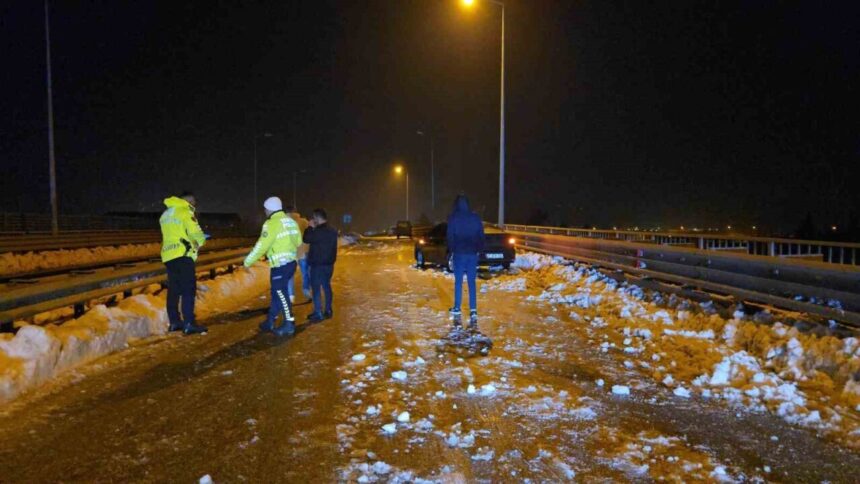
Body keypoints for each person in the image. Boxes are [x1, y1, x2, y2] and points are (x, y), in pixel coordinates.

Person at [243, 196, 303, 336]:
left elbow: (261, 246)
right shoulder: (290, 222)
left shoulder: (271, 223)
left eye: (265, 209)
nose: (264, 211)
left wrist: (247, 262)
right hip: (290, 263)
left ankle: (289, 323)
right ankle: (269, 321)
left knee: (281, 294)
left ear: (269, 209)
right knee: (277, 294)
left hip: (280, 265)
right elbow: (298, 241)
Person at [159, 191, 208, 335]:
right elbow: (195, 232)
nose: (193, 204)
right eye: (191, 201)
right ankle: (189, 323)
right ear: (184, 201)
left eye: (194, 202)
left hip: (169, 255)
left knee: (174, 290)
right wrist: (202, 240)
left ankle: (174, 322)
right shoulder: (185, 212)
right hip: (183, 254)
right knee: (188, 289)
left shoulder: (166, 214)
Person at [446, 194, 485, 328]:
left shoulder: (453, 218)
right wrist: (478, 249)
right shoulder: (475, 218)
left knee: (458, 282)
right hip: (472, 255)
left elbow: (450, 237)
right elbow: (481, 236)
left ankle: (457, 307)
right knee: (471, 282)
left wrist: (451, 250)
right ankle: (473, 310)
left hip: (459, 254)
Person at [303, 208, 338, 322]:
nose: (313, 220)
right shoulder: (333, 230)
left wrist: (309, 227)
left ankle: (318, 312)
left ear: (317, 218)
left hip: (317, 265)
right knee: (327, 286)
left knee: (316, 289)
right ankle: (328, 310)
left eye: (314, 218)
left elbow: (306, 239)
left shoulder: (316, 231)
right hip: (329, 265)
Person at [285, 206, 311, 303]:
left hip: (288, 250)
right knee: (305, 272)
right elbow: (309, 233)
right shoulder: (303, 222)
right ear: (296, 212)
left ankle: (291, 296)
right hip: (301, 249)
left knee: (290, 274)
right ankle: (306, 291)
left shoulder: (282, 222)